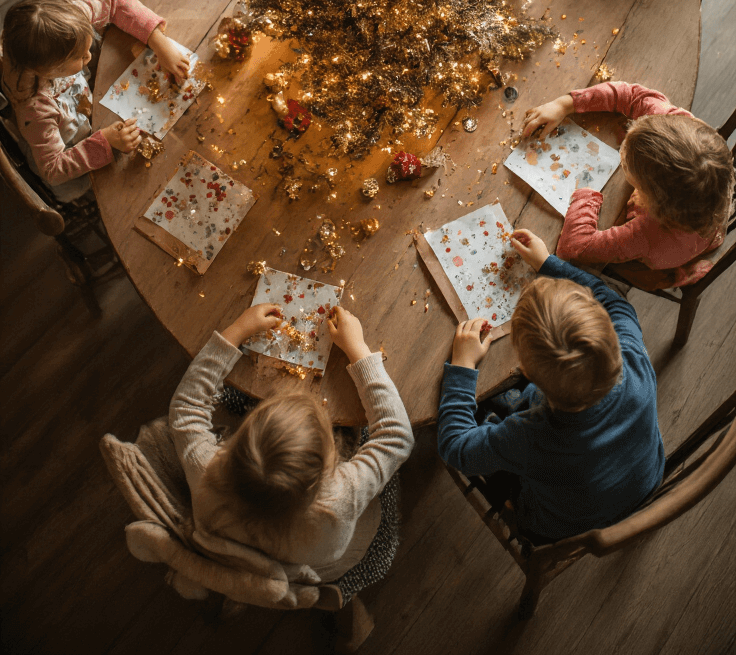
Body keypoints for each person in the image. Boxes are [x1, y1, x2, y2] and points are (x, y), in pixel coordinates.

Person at [437, 228, 665, 542]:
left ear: (525, 370)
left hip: (558, 525)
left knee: (490, 407)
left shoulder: (530, 435)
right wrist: (548, 262)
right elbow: (615, 303)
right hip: (645, 482)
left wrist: (462, 364)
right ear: (610, 333)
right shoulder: (633, 355)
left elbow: (454, 448)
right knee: (512, 408)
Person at [169, 301, 414, 584]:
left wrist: (237, 331)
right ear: (329, 468)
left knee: (236, 395)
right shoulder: (338, 502)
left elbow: (186, 408)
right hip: (314, 561)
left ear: (235, 444)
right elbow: (397, 435)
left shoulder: (205, 470)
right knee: (386, 480)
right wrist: (358, 349)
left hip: (227, 542)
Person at [522, 84, 733, 289]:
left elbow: (574, 248)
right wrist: (564, 104)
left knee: (626, 266)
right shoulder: (679, 128)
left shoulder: (649, 233)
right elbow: (633, 96)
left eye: (627, 164)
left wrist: (586, 193)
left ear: (647, 198)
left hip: (669, 257)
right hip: (710, 217)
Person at [0, 0, 185, 199]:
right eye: (80, 56)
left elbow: (115, 2)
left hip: (91, 106)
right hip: (75, 151)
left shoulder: (69, 18)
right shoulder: (36, 110)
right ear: (50, 72)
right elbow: (53, 169)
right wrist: (105, 141)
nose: (88, 55)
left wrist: (159, 42)